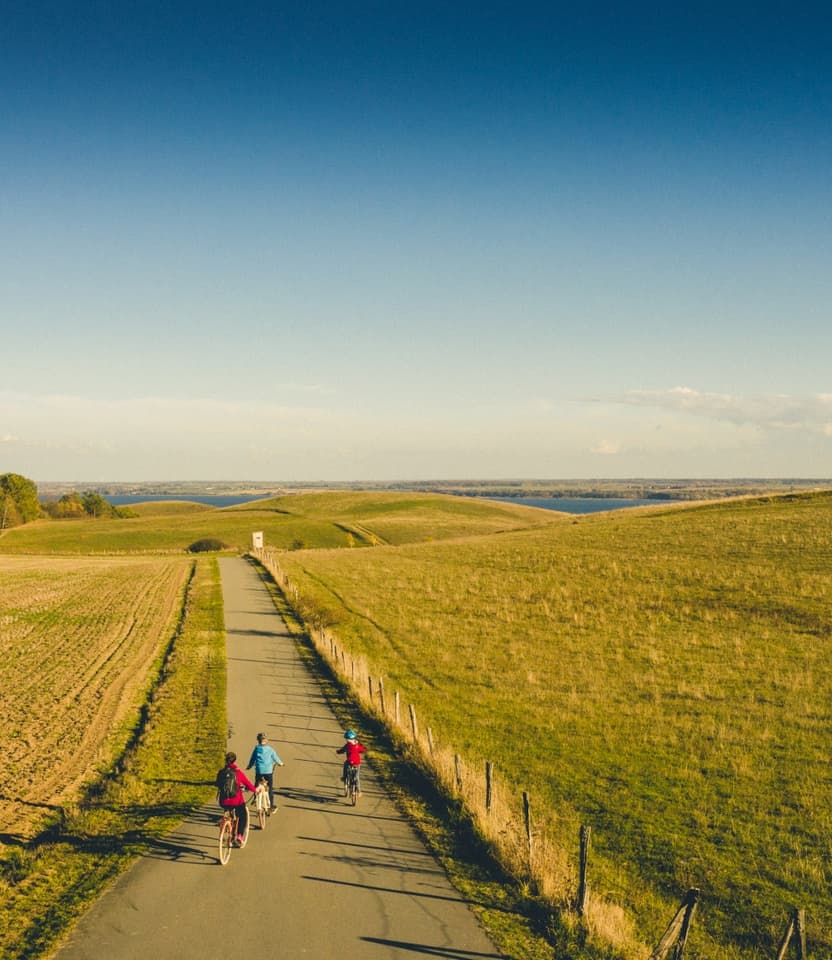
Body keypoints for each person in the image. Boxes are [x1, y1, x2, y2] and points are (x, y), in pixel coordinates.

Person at [216, 750, 256, 844]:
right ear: (234, 760)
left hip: (223, 801)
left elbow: (217, 783)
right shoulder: (238, 772)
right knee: (242, 815)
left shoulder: (221, 772)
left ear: (225, 760)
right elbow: (248, 783)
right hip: (236, 801)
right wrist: (255, 790)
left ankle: (224, 827)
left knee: (227, 811)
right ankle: (239, 836)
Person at [246, 732, 284, 813]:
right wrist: (280, 763)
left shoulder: (256, 749)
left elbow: (252, 759)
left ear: (258, 741)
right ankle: (271, 806)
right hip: (268, 771)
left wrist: (249, 766)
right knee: (270, 788)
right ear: (266, 740)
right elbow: (276, 758)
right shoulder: (270, 749)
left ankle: (256, 798)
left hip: (259, 771)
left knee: (257, 783)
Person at [335, 729, 366, 796]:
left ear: (348, 739)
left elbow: (342, 750)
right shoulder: (357, 745)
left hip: (349, 762)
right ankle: (359, 791)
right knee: (357, 777)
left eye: (347, 739)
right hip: (357, 763)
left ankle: (344, 777)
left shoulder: (347, 745)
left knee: (345, 765)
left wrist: (338, 751)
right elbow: (362, 750)